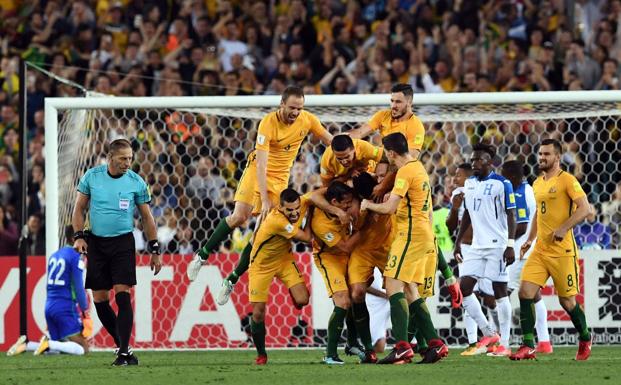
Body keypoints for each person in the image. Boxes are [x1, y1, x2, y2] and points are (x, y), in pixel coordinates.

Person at [187, 86, 332, 305]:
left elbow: (331, 140)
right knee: (239, 217)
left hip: (280, 181)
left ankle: (231, 280)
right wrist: (264, 199)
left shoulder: (308, 120)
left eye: (299, 108)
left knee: (258, 237)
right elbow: (262, 164)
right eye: (292, 107)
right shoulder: (268, 123)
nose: (295, 112)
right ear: (281, 104)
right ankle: (202, 255)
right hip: (257, 172)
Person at [350, 83, 462, 308]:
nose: (393, 106)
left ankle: (448, 276)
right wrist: (344, 144)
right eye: (391, 101)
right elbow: (360, 133)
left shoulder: (416, 127)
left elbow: (406, 163)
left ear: (410, 102)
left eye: (398, 101)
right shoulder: (382, 116)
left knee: (421, 227)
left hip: (406, 184)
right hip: (383, 181)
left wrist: (383, 188)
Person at [72, 138, 161, 366]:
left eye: (130, 158)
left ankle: (122, 352)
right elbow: (79, 208)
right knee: (100, 299)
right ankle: (125, 348)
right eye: (123, 159)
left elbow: (147, 217)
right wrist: (79, 236)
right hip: (97, 244)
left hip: (123, 243)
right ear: (110, 158)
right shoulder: (92, 176)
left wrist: (154, 247)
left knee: (123, 294)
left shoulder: (136, 182)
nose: (127, 163)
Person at [360, 132, 447, 364]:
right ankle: (435, 343)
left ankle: (401, 347)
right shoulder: (418, 168)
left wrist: (367, 204)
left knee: (392, 284)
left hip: (411, 235)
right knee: (410, 289)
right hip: (422, 234)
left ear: (390, 153)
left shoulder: (405, 171)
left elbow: (389, 208)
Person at [510, 139, 592, 361]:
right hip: (540, 250)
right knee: (524, 292)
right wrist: (529, 239)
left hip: (562, 252)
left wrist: (563, 228)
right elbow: (539, 213)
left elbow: (585, 208)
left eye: (546, 154)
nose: (542, 157)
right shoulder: (537, 183)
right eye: (540, 153)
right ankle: (528, 345)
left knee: (568, 302)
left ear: (557, 157)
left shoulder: (568, 180)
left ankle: (585, 337)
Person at [453, 143, 516, 357]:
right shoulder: (470, 184)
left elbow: (511, 214)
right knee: (464, 288)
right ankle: (489, 332)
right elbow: (468, 214)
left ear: (490, 161)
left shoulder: (502, 184)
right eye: (472, 160)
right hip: (477, 247)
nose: (474, 163)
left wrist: (510, 244)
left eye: (478, 159)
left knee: (499, 292)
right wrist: (458, 242)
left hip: (497, 245)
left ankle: (505, 344)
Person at [248, 189, 313, 365]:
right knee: (259, 313)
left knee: (303, 300)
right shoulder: (276, 221)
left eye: (296, 209)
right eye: (289, 210)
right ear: (280, 207)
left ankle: (294, 294)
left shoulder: (302, 203)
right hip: (261, 266)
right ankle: (261, 354)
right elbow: (307, 238)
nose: (294, 213)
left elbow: (317, 194)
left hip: (284, 259)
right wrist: (312, 215)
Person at [7, 226, 92, 356]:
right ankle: (48, 343)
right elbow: (79, 288)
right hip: (65, 308)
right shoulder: (76, 257)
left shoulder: (55, 255)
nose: (87, 242)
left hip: (49, 307)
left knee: (60, 347)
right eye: (84, 238)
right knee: (83, 348)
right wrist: (85, 311)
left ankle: (26, 345)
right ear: (74, 238)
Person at [501, 160, 552, 354]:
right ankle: (545, 342)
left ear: (513, 177)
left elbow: (521, 226)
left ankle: (502, 341)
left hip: (522, 251)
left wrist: (509, 245)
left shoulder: (520, 193)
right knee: (534, 295)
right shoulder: (529, 189)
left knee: (502, 291)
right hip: (530, 249)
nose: (502, 180)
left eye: (504, 176)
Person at [447, 163, 497, 356]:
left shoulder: (485, 189)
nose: (454, 179)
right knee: (468, 293)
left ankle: (495, 337)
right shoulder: (458, 194)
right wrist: (454, 208)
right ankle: (473, 341)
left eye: (458, 175)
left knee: (491, 297)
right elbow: (451, 226)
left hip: (487, 247)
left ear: (468, 176)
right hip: (468, 250)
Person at [310, 181, 361, 365]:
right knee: (342, 300)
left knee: (356, 296)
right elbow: (346, 247)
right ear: (333, 201)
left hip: (347, 256)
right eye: (345, 203)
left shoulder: (335, 201)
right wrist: (366, 229)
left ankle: (352, 343)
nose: (348, 205)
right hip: (329, 258)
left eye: (350, 201)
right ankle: (330, 354)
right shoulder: (320, 223)